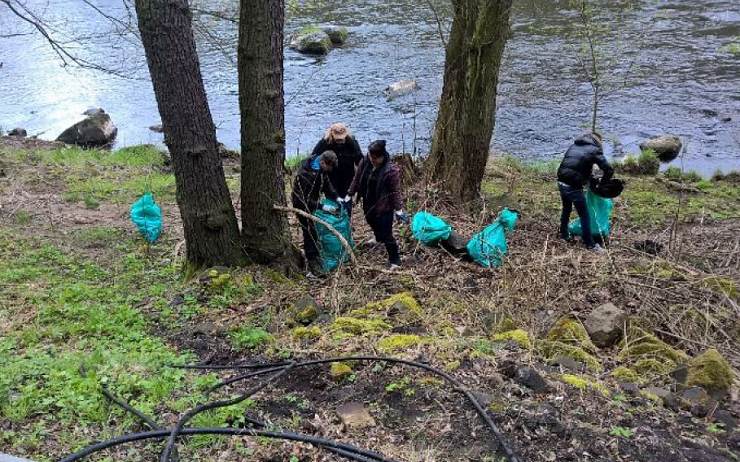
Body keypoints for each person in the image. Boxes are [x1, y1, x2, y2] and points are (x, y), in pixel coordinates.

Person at [348, 140, 408, 269]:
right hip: (368, 200)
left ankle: (395, 260)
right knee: (370, 220)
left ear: (382, 156)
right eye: (371, 156)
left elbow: (395, 191)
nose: (372, 160)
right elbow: (357, 178)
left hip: (384, 206)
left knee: (387, 233)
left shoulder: (391, 170)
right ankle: (377, 238)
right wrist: (350, 194)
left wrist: (398, 210)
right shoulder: (365, 161)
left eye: (375, 158)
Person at [556, 132, 614, 252]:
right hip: (573, 185)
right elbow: (608, 170)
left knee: (566, 209)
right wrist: (603, 184)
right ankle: (590, 244)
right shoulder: (594, 149)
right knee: (585, 215)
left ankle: (563, 234)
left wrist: (589, 178)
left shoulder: (574, 146)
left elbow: (579, 165)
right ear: (598, 142)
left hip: (561, 181)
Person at [291, 151, 339, 275]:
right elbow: (304, 200)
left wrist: (336, 197)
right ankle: (313, 264)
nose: (329, 171)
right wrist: (323, 207)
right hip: (301, 205)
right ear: (323, 162)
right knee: (309, 232)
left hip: (311, 201)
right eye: (329, 168)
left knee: (314, 231)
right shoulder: (305, 175)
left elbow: (326, 184)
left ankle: (316, 256)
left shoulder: (321, 169)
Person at [311, 123, 363, 200]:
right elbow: (314, 159)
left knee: (346, 204)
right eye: (337, 139)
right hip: (330, 180)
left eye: (341, 139)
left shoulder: (352, 143)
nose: (340, 141)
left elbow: (360, 161)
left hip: (347, 179)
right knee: (332, 203)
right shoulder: (324, 143)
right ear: (332, 135)